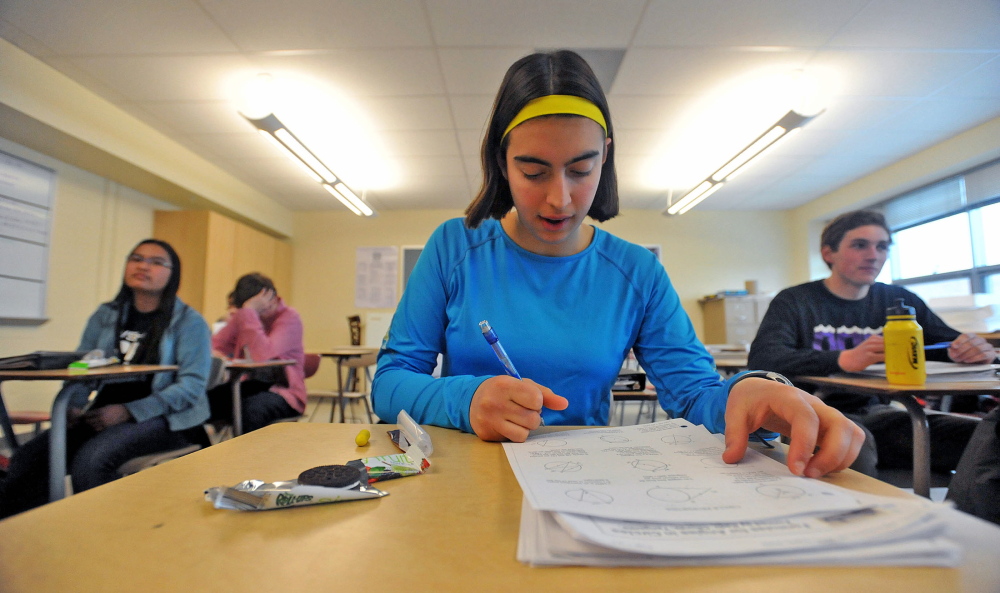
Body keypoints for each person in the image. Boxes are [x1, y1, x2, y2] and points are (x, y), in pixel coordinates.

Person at [372, 50, 864, 479]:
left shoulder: (636, 272)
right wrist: (466, 401)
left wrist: (751, 392)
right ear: (502, 162)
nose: (559, 198)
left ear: (605, 158)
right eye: (533, 170)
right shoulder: (454, 248)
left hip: (585, 482)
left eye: (581, 169)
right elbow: (391, 382)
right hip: (463, 476)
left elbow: (694, 396)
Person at [748, 209, 996, 477]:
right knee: (854, 445)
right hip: (815, 412)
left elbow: (946, 345)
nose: (873, 255)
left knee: (989, 439)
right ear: (828, 253)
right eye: (859, 245)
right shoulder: (796, 300)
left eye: (882, 247)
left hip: (883, 414)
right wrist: (842, 360)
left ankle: (953, 517)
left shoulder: (900, 299)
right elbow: (764, 359)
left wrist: (976, 351)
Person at [0, 239, 212, 518]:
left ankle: (105, 540)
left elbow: (192, 386)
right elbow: (81, 366)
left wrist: (128, 411)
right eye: (136, 258)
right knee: (30, 457)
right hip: (102, 413)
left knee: (91, 462)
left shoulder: (188, 322)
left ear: (173, 274)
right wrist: (74, 404)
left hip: (166, 418)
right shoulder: (106, 315)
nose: (143, 266)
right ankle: (26, 534)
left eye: (156, 262)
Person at [207, 273, 305, 432]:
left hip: (283, 391)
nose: (265, 308)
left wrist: (249, 313)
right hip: (249, 386)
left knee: (252, 410)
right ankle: (203, 451)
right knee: (199, 403)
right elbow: (215, 344)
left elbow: (263, 356)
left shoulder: (289, 318)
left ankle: (249, 456)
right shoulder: (244, 316)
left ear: (272, 296)